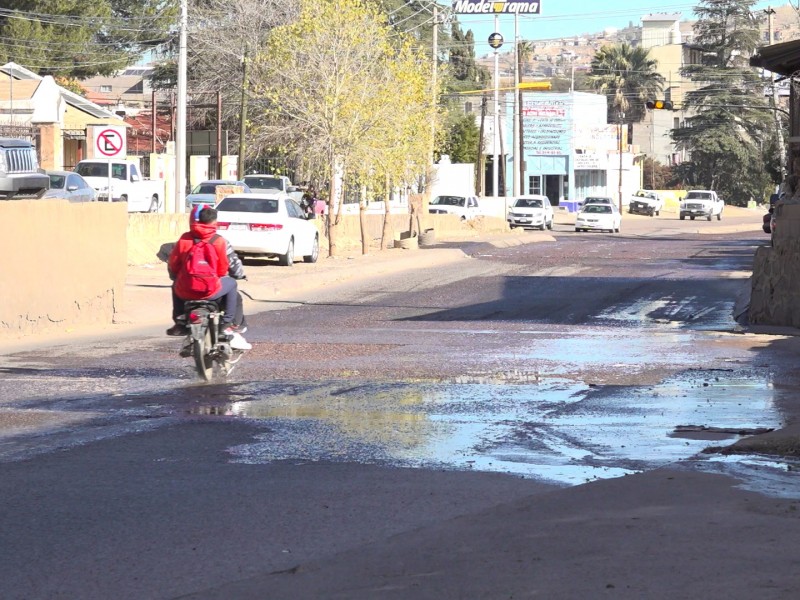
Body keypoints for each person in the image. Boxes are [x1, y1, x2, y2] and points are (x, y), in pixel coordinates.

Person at [166, 205, 251, 350]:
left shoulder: (184, 239)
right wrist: (234, 275)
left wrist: (177, 277)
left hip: (186, 292)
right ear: (214, 222)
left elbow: (173, 264)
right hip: (210, 291)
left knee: (176, 284)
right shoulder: (219, 241)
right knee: (231, 284)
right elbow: (225, 267)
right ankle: (228, 324)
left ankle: (179, 322)